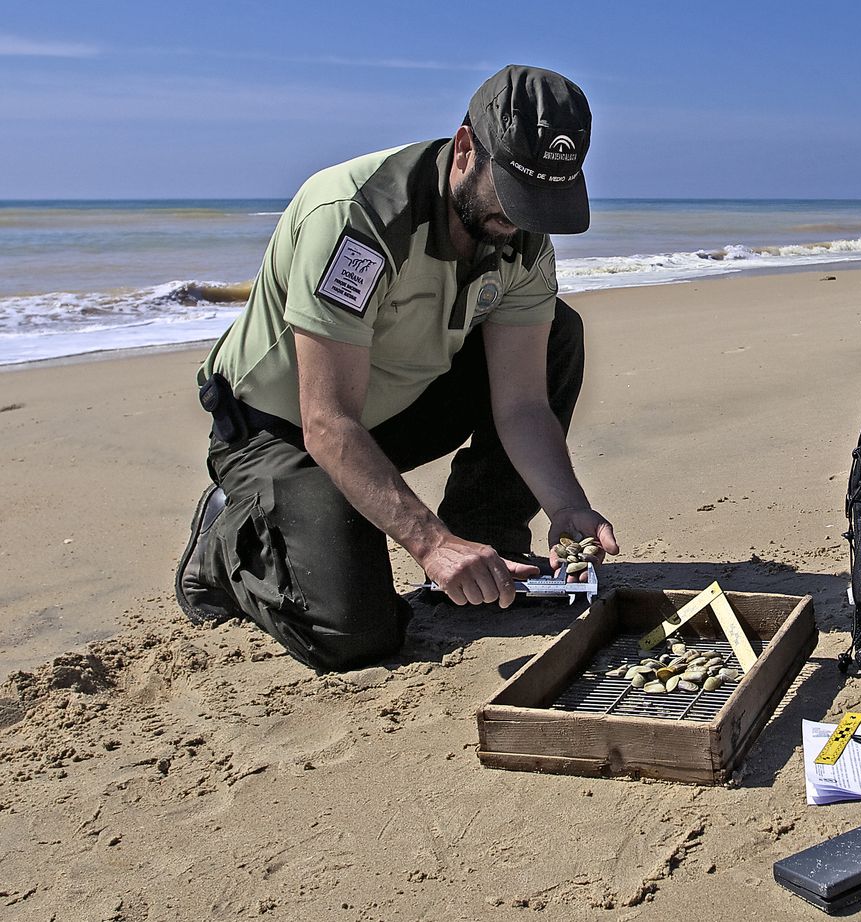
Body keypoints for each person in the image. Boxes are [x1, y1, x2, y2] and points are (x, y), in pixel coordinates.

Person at [176, 66, 619, 671]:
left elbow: (520, 404)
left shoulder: (524, 236)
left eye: (543, 203)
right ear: (465, 150)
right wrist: (429, 543)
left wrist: (567, 507)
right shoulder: (357, 220)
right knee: (354, 633)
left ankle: (483, 542)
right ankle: (226, 535)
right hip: (281, 431)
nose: (521, 223)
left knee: (557, 334)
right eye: (513, 197)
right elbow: (327, 422)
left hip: (389, 412)